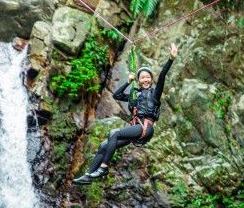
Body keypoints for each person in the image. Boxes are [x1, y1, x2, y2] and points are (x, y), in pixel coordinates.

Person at [72, 43, 178, 185]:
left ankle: (103, 167)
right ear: (139, 81)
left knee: (114, 133)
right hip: (136, 128)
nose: (146, 79)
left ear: (151, 80)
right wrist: (128, 82)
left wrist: (171, 59)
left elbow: (163, 75)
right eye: (142, 78)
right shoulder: (135, 95)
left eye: (148, 77)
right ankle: (88, 175)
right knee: (104, 145)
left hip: (145, 128)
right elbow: (117, 95)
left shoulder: (154, 94)